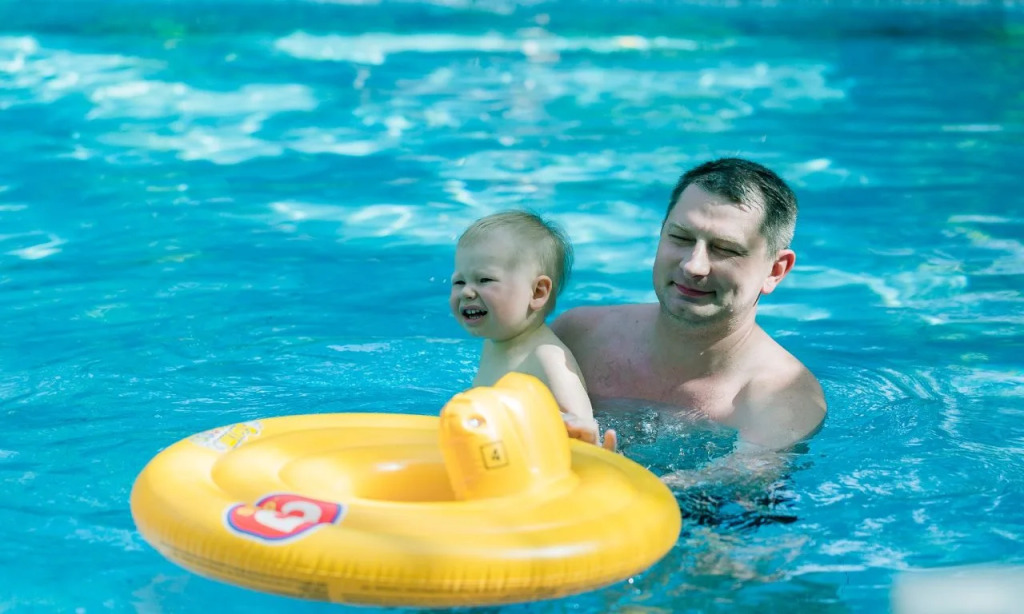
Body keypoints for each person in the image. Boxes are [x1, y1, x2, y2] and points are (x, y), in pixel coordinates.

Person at [551, 157, 826, 455]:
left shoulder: (784, 398)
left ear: (775, 270)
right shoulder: (578, 338)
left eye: (724, 249)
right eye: (680, 237)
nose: (693, 266)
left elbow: (738, 478)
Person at [450, 210, 617, 450]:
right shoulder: (493, 344)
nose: (466, 292)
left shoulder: (547, 357)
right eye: (459, 281)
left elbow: (582, 430)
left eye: (484, 280)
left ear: (538, 292)